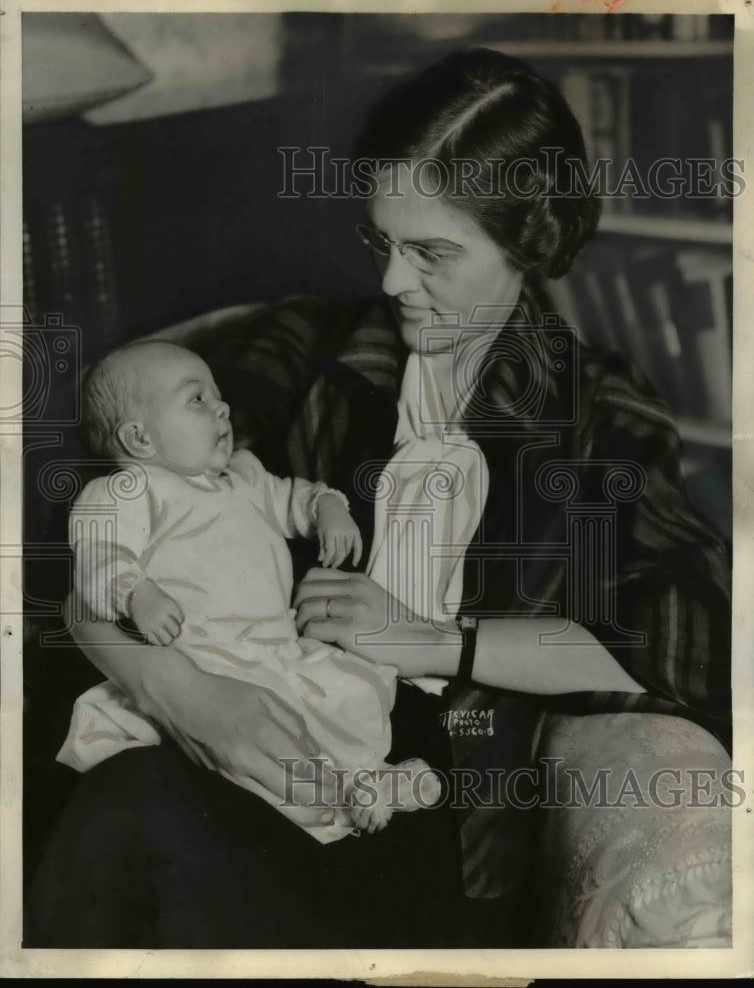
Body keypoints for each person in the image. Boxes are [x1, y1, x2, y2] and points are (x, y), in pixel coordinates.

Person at [26, 48, 732, 949]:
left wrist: (430, 638)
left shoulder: (596, 413)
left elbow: (686, 645)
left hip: (426, 806)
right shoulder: (310, 350)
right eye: (380, 243)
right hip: (242, 736)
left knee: (129, 823)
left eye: (431, 253)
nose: (394, 281)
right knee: (124, 802)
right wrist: (180, 691)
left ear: (528, 241)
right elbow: (94, 536)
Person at [58, 339, 441, 839]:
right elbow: (98, 554)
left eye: (218, 395)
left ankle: (368, 777)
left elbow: (292, 498)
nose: (222, 407)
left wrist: (327, 508)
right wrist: (134, 592)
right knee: (264, 742)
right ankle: (338, 801)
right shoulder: (128, 491)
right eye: (197, 398)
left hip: (276, 646)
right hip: (208, 659)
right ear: (140, 438)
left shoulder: (244, 475)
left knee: (350, 696)